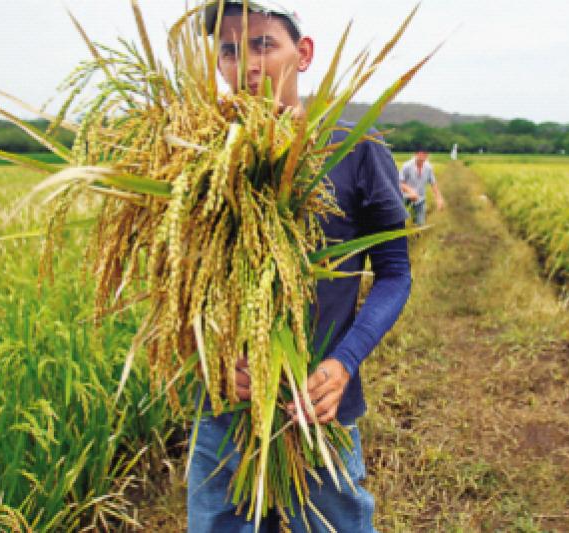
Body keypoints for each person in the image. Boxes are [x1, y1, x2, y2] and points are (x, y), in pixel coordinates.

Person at [187, 2, 412, 531]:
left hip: (318, 409)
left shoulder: (354, 148)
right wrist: (215, 360)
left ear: (303, 53)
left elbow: (395, 273)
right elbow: (179, 283)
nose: (247, 67)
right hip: (225, 414)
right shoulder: (196, 154)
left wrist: (343, 363)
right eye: (229, 50)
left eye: (264, 44)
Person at [399, 150, 445, 225]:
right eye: (422, 153)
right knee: (403, 223)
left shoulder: (428, 167)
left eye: (426, 153)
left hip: (420, 200)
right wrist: (411, 191)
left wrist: (439, 199)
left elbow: (433, 184)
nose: (424, 155)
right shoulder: (407, 166)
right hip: (405, 199)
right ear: (416, 153)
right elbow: (400, 183)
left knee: (420, 224)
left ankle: (417, 234)